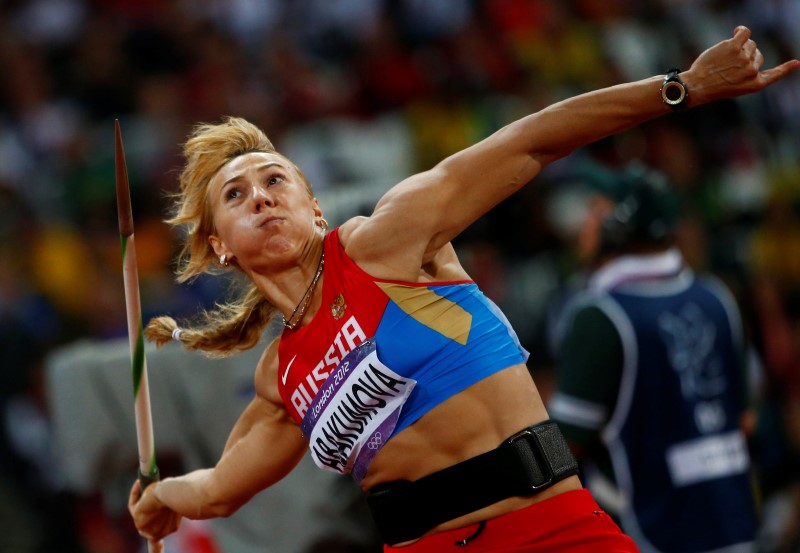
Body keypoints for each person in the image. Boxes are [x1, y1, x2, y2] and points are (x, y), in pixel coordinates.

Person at [128, 26, 797, 552]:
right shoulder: (283, 378)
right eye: (237, 195)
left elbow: (531, 141)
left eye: (276, 180)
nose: (263, 198)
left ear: (316, 207)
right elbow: (217, 489)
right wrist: (162, 497)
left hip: (553, 531)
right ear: (219, 243)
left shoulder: (383, 242)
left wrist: (680, 88)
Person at [547, 163, 760, 552]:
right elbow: (744, 421)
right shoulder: (717, 297)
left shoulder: (601, 317)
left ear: (618, 225)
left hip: (650, 536)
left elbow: (562, 449)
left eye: (595, 209)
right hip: (736, 527)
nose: (585, 222)